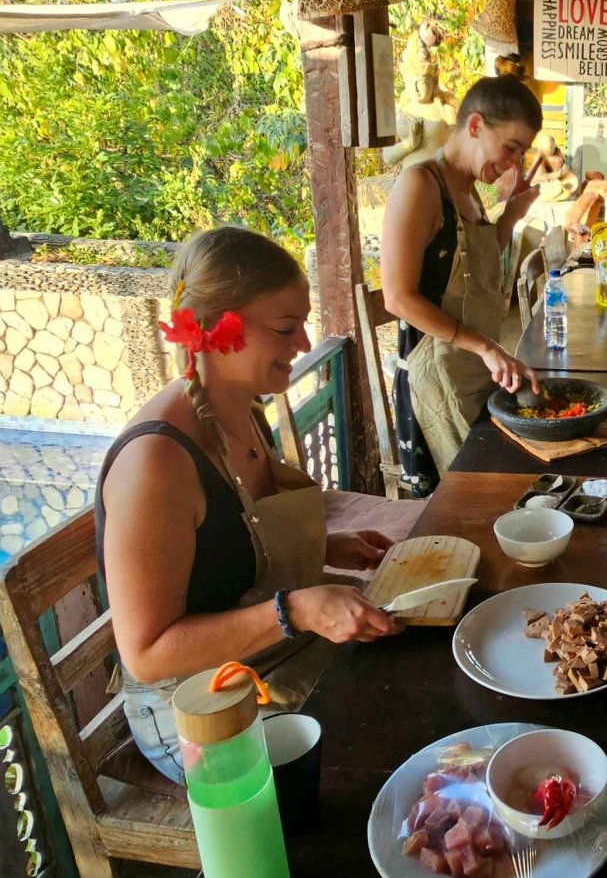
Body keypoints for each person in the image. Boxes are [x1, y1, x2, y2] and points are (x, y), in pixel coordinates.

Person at [99, 227, 402, 784]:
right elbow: (146, 652)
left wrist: (327, 546)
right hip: (196, 709)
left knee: (408, 670)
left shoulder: (238, 407)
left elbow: (228, 548)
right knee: (375, 756)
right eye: (286, 328)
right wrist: (299, 610)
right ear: (217, 329)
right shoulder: (157, 462)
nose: (306, 343)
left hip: (269, 660)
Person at [382, 73, 544, 496]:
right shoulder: (420, 184)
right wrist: (489, 347)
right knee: (454, 518)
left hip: (472, 373)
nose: (513, 164)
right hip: (432, 383)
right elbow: (398, 297)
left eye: (521, 153)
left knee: (493, 504)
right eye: (510, 148)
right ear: (475, 126)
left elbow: (480, 271)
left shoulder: (469, 191)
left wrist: (511, 214)